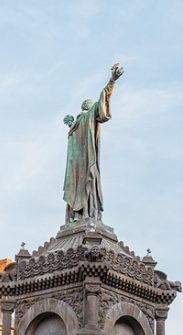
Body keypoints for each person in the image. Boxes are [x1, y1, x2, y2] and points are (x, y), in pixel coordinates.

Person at [63, 63, 124, 223]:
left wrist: (112, 81)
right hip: (84, 164)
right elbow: (103, 97)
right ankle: (86, 213)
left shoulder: (78, 124)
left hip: (80, 167)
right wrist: (112, 80)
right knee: (88, 183)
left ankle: (80, 214)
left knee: (82, 185)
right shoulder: (82, 121)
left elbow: (103, 98)